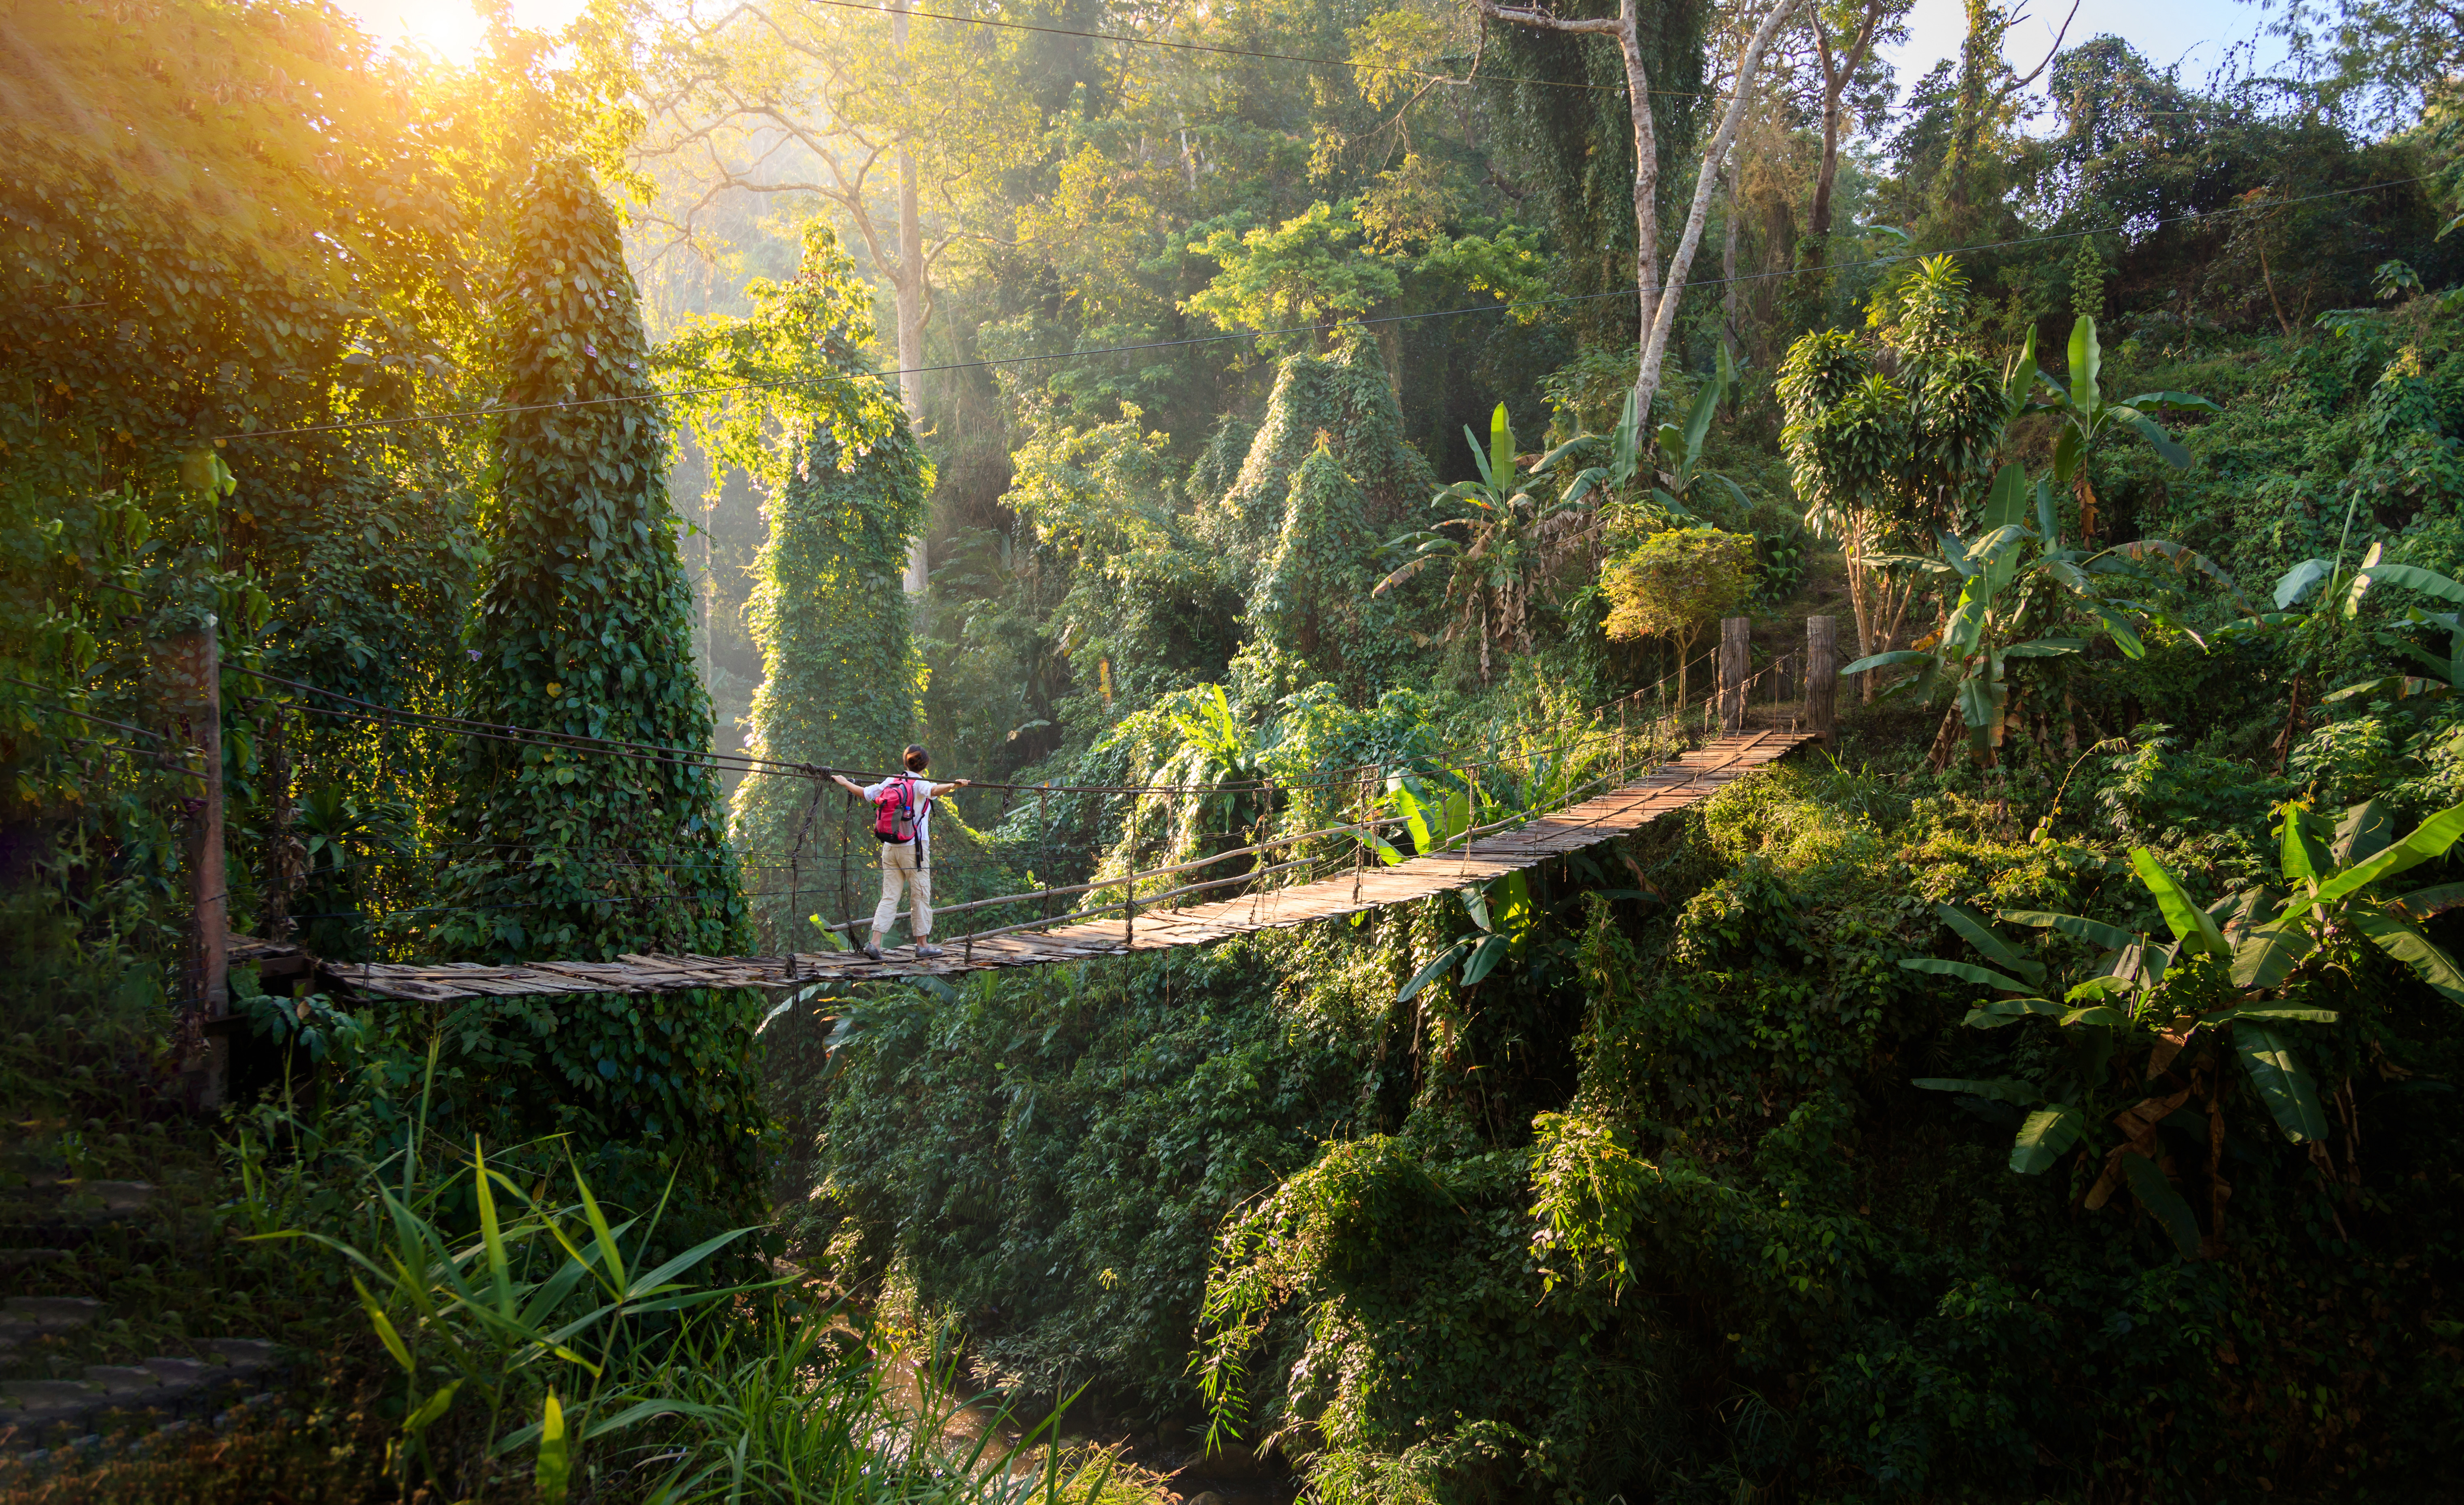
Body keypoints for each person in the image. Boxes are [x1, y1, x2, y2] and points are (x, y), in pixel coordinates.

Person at [829, 745, 969, 960]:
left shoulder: (892, 781)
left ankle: (875, 943)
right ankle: (922, 945)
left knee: (889, 896)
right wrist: (954, 785)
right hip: (914, 849)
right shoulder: (920, 783)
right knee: (921, 895)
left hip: (890, 847)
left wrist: (845, 782)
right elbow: (935, 791)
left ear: (905, 762)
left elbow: (866, 793)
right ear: (926, 765)